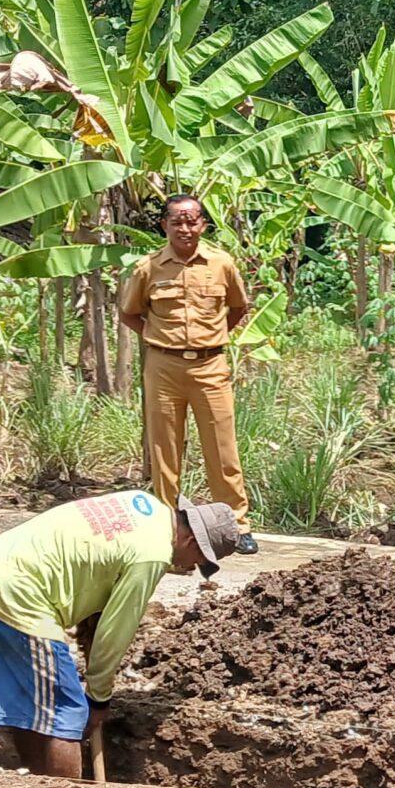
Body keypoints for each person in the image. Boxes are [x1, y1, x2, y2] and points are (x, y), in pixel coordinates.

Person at [0, 490, 240, 777]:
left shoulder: (142, 503)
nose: (189, 566)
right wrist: (98, 698)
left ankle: (36, 778)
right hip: (19, 593)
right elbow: (115, 633)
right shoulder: (153, 555)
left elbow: (96, 564)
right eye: (198, 559)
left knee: (29, 702)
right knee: (68, 711)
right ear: (191, 541)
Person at [118, 190, 257, 552]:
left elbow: (238, 307)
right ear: (164, 225)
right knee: (164, 449)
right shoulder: (148, 268)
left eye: (191, 221)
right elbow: (129, 313)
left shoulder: (221, 264)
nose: (184, 228)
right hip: (163, 367)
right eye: (176, 221)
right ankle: (167, 526)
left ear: (203, 225)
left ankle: (237, 525)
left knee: (222, 449)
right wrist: (159, 339)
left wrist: (212, 339)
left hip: (211, 366)